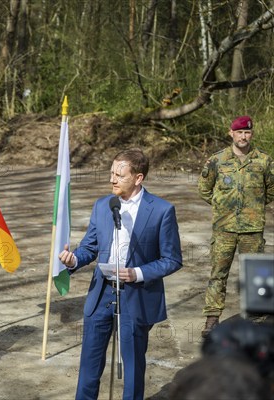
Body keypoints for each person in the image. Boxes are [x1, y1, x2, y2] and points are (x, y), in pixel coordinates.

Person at [58, 148, 183, 400]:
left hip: (136, 296)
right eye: (111, 173)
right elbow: (90, 247)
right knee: (89, 365)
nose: (112, 180)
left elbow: (172, 260)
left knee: (133, 366)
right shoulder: (103, 205)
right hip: (101, 294)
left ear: (138, 178)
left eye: (120, 175)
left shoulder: (161, 210)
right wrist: (73, 260)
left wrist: (136, 273)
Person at [198, 115, 274, 338]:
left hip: (252, 228)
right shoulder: (217, 160)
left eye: (247, 132)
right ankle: (212, 317)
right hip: (224, 228)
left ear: (252, 134)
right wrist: (222, 206)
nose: (243, 136)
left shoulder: (264, 161)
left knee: (256, 274)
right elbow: (204, 189)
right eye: (239, 132)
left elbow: (271, 190)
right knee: (218, 273)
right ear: (231, 133)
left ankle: (257, 319)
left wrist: (254, 207)